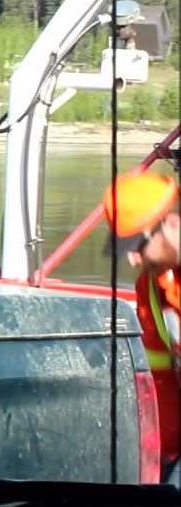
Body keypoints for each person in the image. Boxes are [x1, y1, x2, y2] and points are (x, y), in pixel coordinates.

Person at [102, 170, 181, 485]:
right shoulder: (151, 285)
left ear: (172, 225)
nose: (132, 259)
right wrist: (161, 456)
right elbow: (159, 371)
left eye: (138, 244)